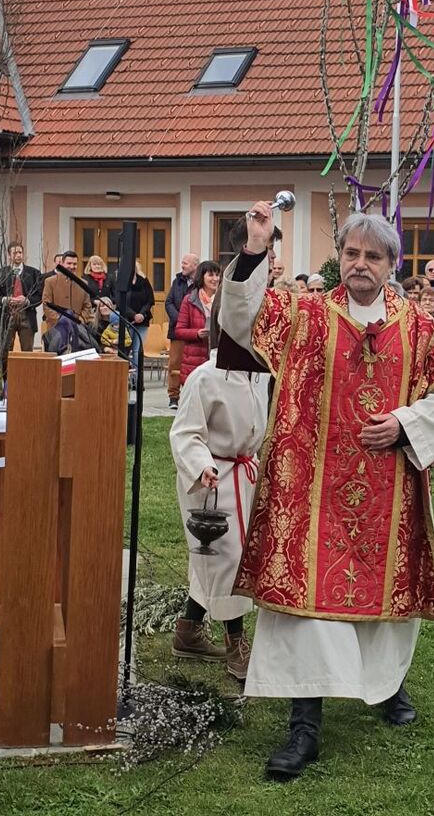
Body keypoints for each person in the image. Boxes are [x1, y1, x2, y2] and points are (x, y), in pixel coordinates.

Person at [218, 205, 434, 780]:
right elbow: (240, 315)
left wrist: (404, 423)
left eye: (372, 256)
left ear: (391, 264)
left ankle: (385, 686)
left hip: (387, 494)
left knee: (383, 606)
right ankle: (304, 726)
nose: (360, 264)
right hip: (309, 492)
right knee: (308, 610)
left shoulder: (421, 329)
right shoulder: (305, 314)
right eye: (352, 253)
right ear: (339, 258)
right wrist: (254, 249)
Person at [170, 339, 268, 679]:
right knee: (227, 560)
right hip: (212, 479)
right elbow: (185, 433)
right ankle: (235, 645)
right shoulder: (205, 376)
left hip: (244, 473)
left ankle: (188, 629)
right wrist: (202, 466)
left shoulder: (260, 374)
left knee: (216, 561)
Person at [0, 242, 42, 365]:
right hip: (7, 315)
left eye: (20, 252)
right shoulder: (0, 274)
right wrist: (5, 299)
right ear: (9, 255)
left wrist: (27, 300)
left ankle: (27, 375)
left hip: (27, 314)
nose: (18, 255)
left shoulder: (34, 273)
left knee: (27, 351)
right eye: (15, 253)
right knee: (5, 352)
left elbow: (39, 296)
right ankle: (5, 376)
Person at [175, 261, 221, 386]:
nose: (215, 279)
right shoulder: (190, 300)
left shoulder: (223, 300)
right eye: (211, 275)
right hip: (195, 358)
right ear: (202, 277)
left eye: (217, 275)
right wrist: (197, 333)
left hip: (217, 357)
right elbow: (179, 330)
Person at [165, 253, 200, 410]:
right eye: (182, 263)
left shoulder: (200, 283)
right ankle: (173, 396)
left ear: (195, 265)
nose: (182, 266)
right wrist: (180, 320)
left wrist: (189, 322)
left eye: (185, 263)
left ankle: (191, 395)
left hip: (194, 331)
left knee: (194, 364)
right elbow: (169, 302)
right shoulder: (177, 281)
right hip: (177, 331)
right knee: (174, 363)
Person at [41, 250, 93, 327]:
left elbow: (87, 306)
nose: (72, 266)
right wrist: (61, 320)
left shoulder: (83, 283)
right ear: (62, 263)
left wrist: (80, 320)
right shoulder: (50, 281)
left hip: (77, 327)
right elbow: (46, 304)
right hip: (56, 327)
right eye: (69, 263)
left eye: (74, 264)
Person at [124, 261, 155, 368]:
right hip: (127, 321)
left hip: (142, 321)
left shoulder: (144, 281)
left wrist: (141, 314)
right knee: (126, 349)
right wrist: (133, 315)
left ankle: (137, 376)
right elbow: (120, 302)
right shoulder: (122, 283)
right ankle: (126, 374)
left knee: (137, 350)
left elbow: (150, 300)